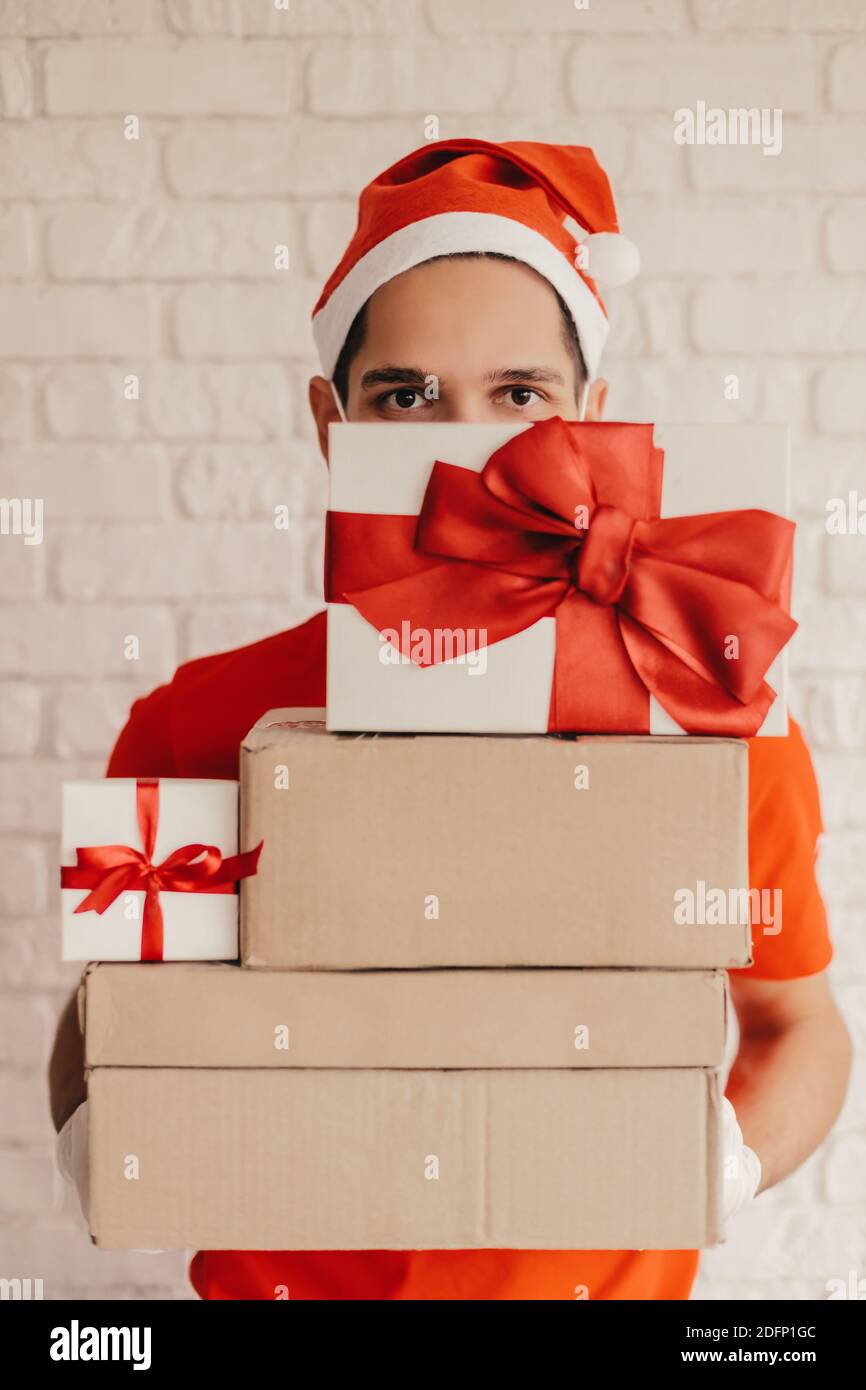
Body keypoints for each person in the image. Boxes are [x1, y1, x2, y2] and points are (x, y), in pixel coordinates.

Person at [50, 139, 852, 1301]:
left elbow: (794, 1026)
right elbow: (110, 1010)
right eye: (405, 396)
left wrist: (712, 1167)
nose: (463, 448)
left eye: (517, 394)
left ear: (590, 417)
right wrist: (101, 1127)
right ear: (332, 425)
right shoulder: (197, 722)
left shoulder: (714, 731)